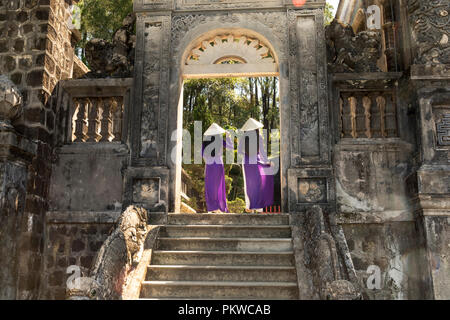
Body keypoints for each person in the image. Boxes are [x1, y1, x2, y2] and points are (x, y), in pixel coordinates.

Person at [238, 118, 274, 213]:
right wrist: (266, 162)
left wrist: (247, 152)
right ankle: (258, 207)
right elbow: (262, 152)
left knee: (248, 184)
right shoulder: (259, 137)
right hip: (256, 161)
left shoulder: (243, 137)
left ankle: (249, 206)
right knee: (258, 183)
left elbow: (239, 151)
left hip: (246, 162)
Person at [202, 123, 233, 213]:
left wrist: (207, 163)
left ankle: (212, 207)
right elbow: (230, 147)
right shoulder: (219, 140)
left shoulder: (205, 142)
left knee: (210, 185)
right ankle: (220, 206)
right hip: (219, 164)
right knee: (218, 186)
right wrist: (228, 136)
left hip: (209, 165)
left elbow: (202, 155)